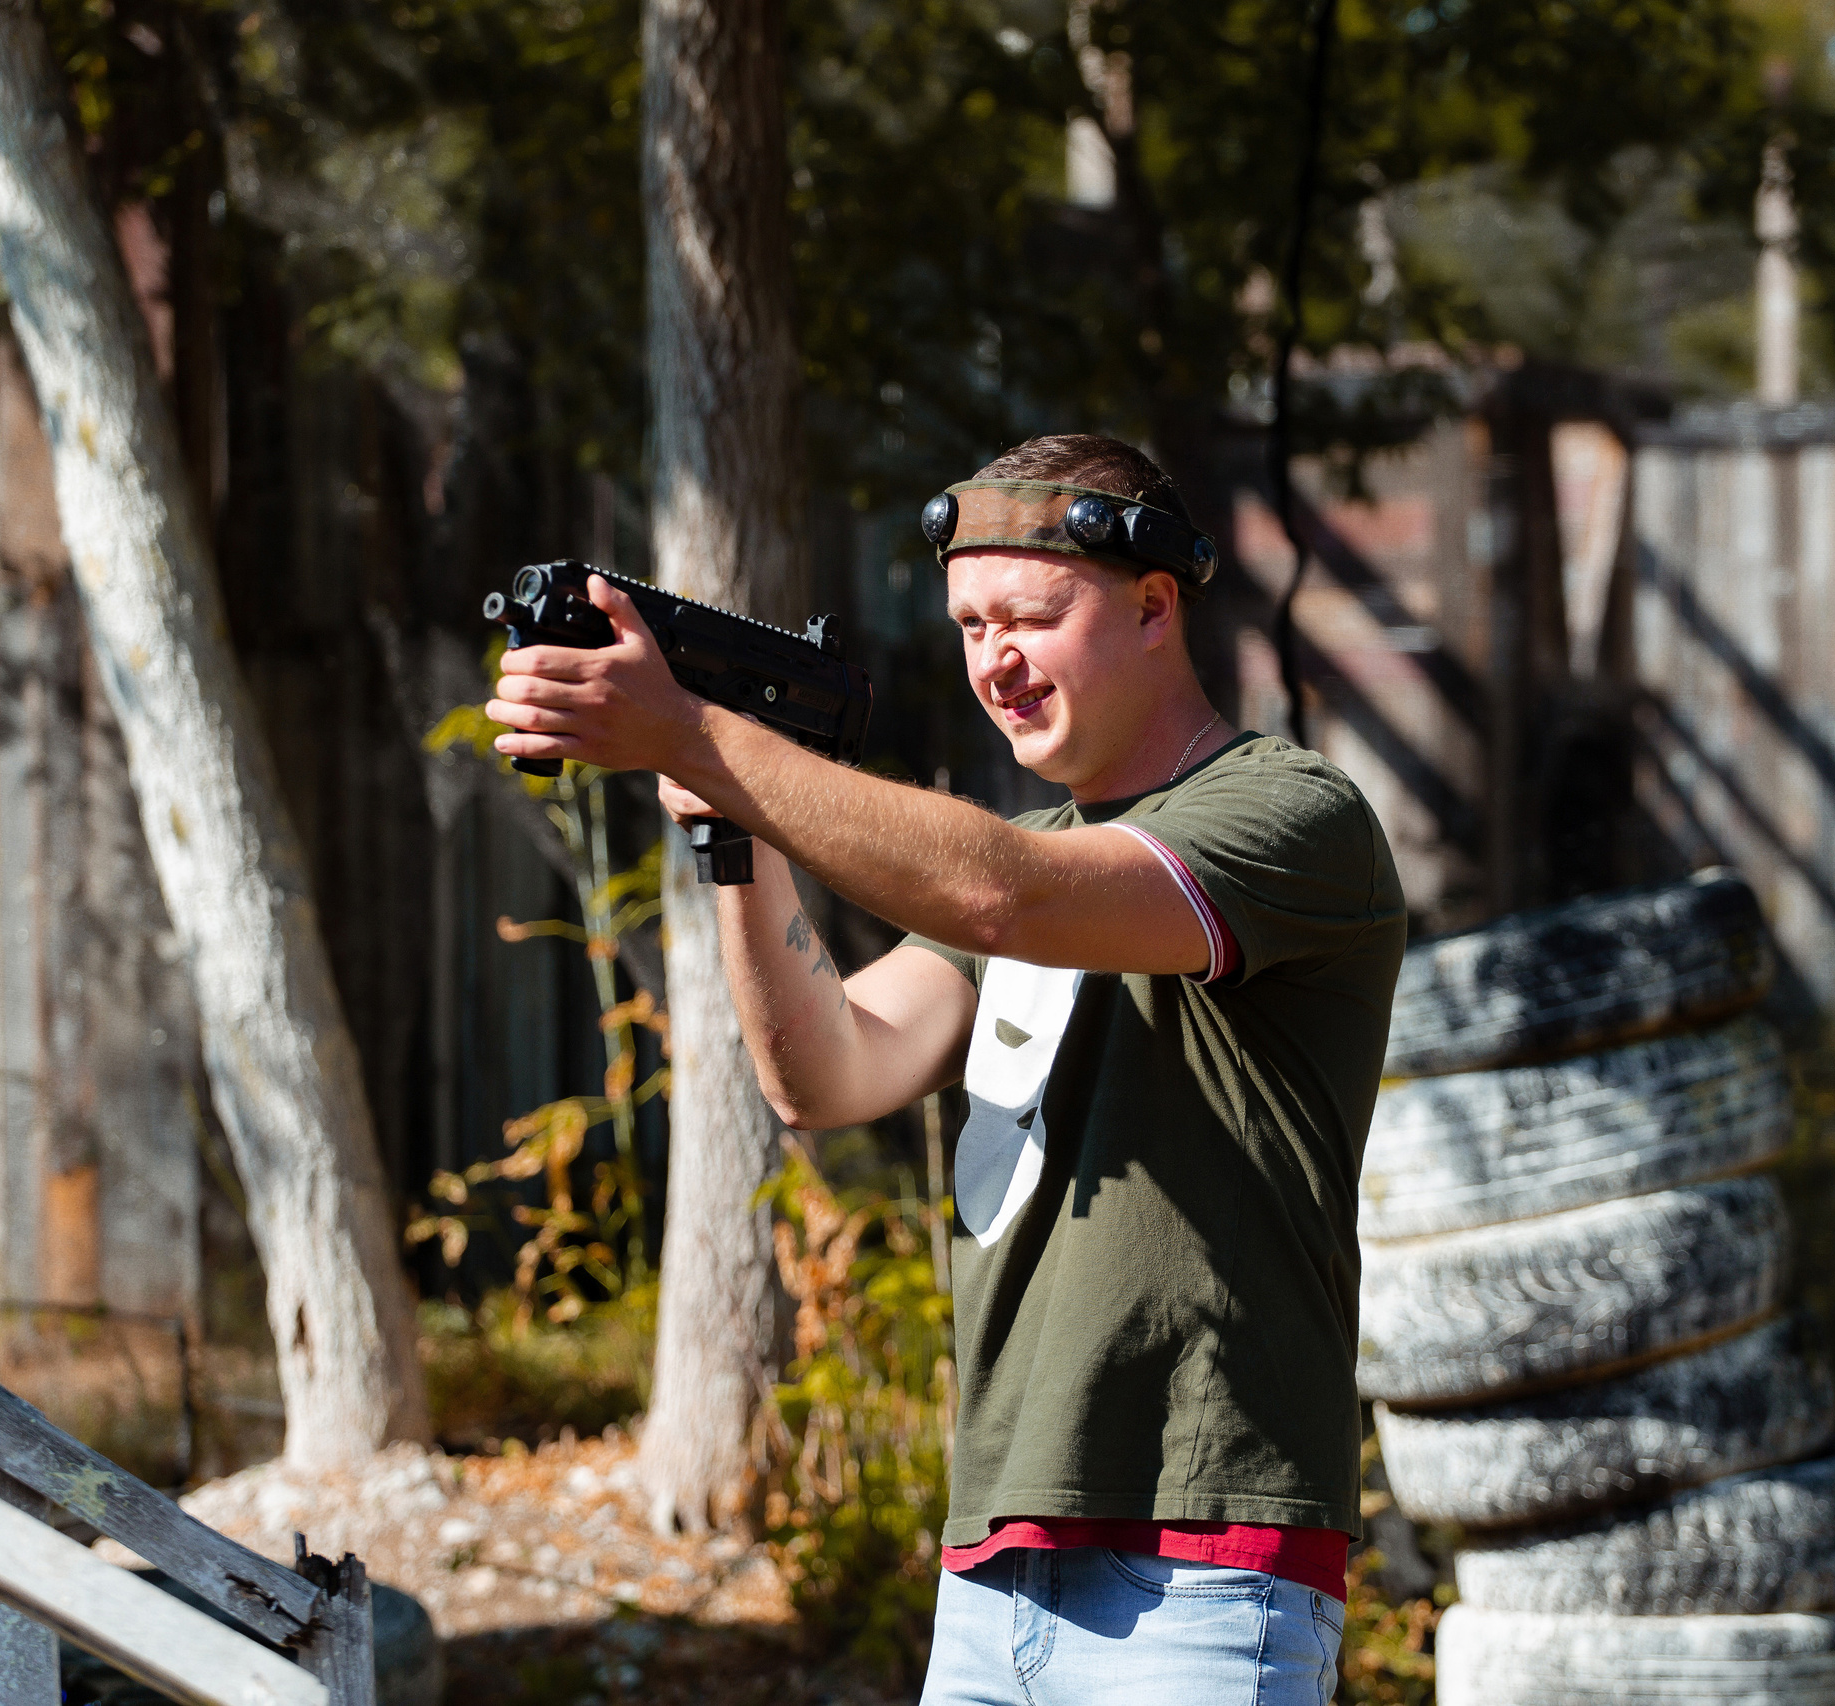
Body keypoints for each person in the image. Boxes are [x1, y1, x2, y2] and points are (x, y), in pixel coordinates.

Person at [488, 434, 1406, 1705]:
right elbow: (826, 1071)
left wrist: (698, 733)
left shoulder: (1292, 816)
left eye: (1028, 615)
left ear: (1154, 605)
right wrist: (733, 837)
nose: (993, 661)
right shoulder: (1034, 863)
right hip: (991, 1567)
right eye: (971, 624)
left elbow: (996, 893)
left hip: (1201, 1560)